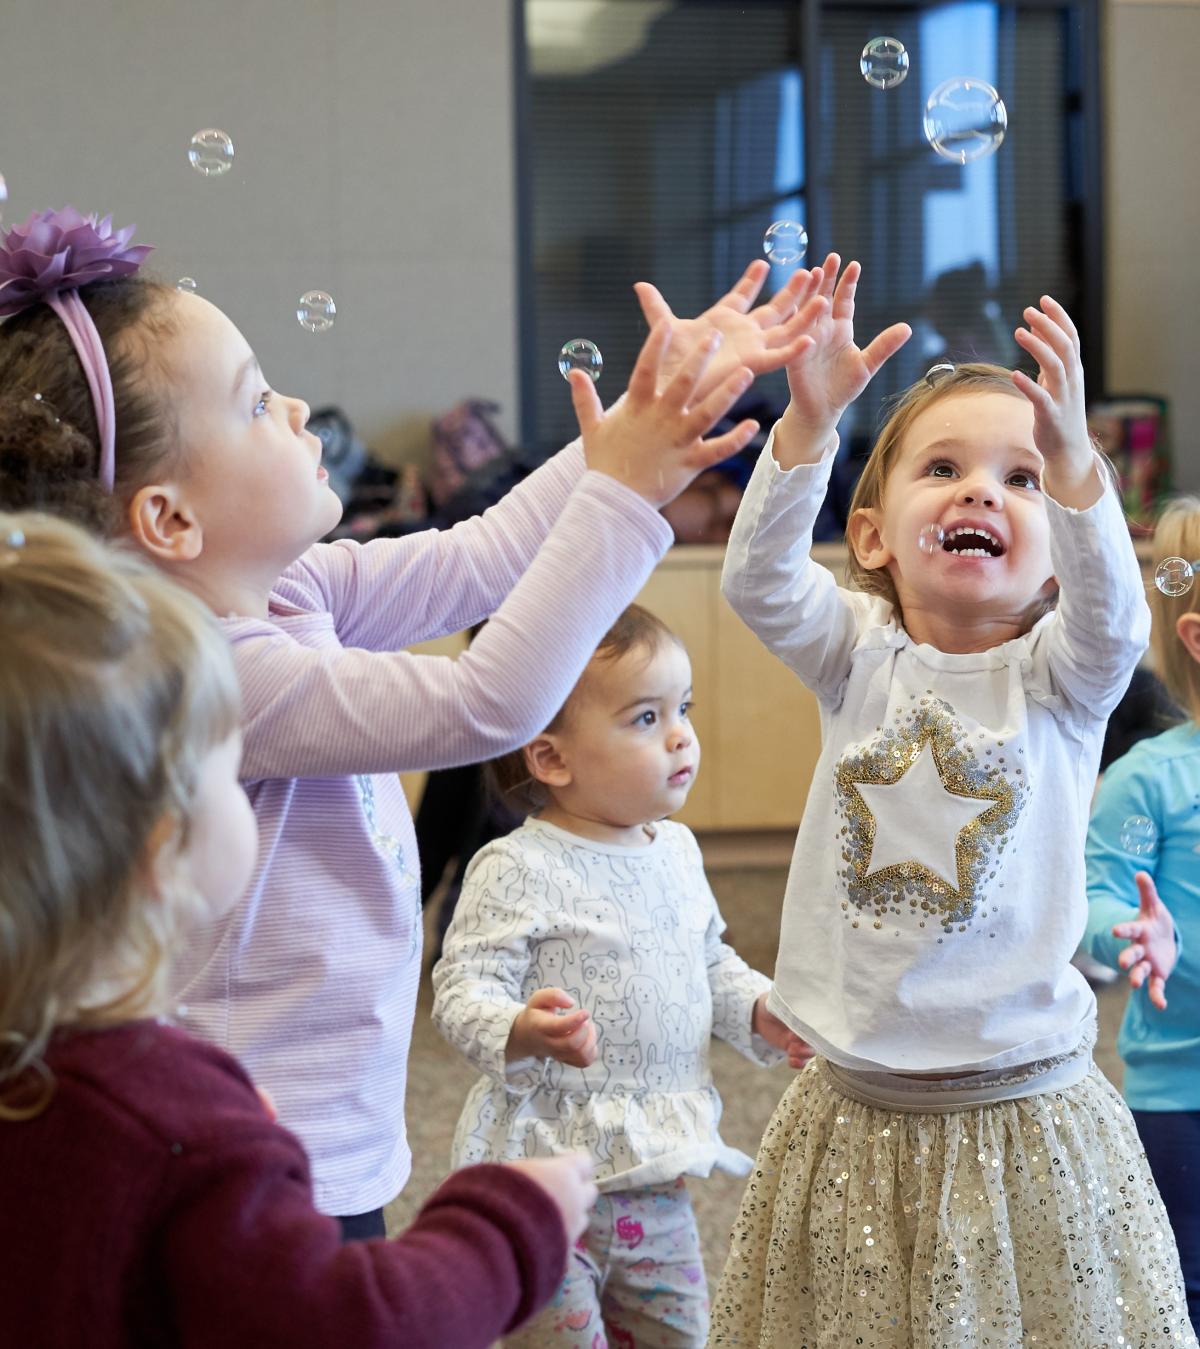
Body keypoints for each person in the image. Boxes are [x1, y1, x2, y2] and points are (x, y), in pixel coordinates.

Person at [0, 207, 824, 1238]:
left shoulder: (289, 588)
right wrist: (630, 485)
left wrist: (648, 414)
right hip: (249, 1138)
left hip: (334, 1111)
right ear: (170, 520)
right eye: (257, 402)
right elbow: (489, 702)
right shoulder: (208, 672)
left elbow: (482, 555)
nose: (298, 407)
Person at [701, 252, 1196, 1345]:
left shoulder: (1064, 679)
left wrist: (1075, 465)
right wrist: (808, 427)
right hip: (855, 1102)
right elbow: (757, 581)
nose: (984, 490)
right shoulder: (855, 655)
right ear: (873, 535)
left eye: (1018, 480)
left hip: (1022, 1100)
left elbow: (1118, 614)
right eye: (945, 468)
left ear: (1055, 562)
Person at [0, 510, 597, 1348]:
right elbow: (359, 1320)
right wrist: (509, 1220)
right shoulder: (179, 1116)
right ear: (161, 845)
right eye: (222, 758)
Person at [432, 604, 809, 1347]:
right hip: (546, 1172)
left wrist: (759, 1009)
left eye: (683, 708)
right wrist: (518, 1026)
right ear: (551, 758)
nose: (680, 735)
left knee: (676, 1330)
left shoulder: (675, 850)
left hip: (656, 1170)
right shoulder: (516, 865)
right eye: (645, 717)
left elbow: (706, 962)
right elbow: (459, 989)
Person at [1083, 497, 1200, 1332]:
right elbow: (1096, 896)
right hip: (1178, 1092)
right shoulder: (1148, 780)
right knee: (1180, 1288)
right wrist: (1132, 931)